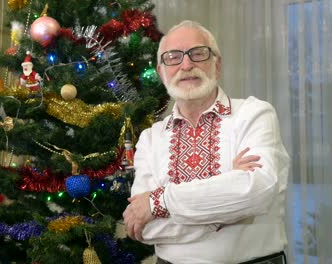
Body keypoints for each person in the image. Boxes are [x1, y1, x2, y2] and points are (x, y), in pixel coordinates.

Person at [122, 20, 290, 264]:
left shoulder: (253, 114)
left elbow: (257, 192)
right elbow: (146, 229)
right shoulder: (151, 138)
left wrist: (158, 202)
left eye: (198, 54)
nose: (187, 64)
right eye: (173, 57)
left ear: (217, 64)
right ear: (161, 72)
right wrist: (231, 210)